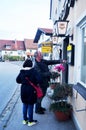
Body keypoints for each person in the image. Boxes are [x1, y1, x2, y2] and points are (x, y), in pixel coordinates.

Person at [16, 59, 42, 126]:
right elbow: (39, 79)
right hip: (31, 90)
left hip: (23, 89)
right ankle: (30, 121)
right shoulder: (34, 71)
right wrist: (35, 82)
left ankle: (25, 120)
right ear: (31, 64)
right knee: (30, 105)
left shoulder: (22, 72)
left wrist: (24, 81)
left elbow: (17, 80)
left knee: (25, 104)